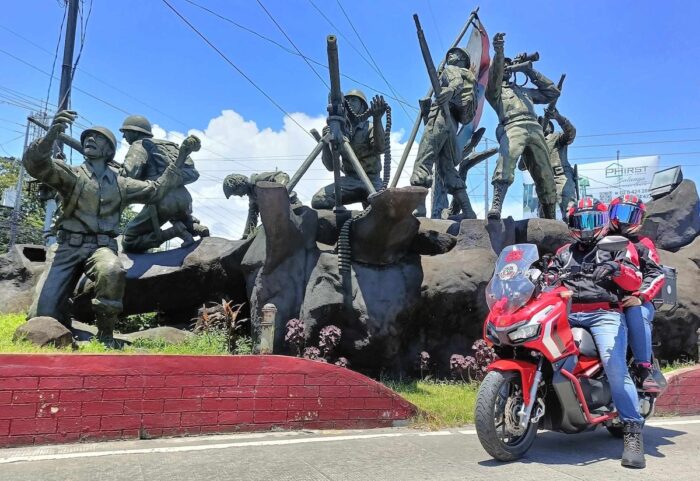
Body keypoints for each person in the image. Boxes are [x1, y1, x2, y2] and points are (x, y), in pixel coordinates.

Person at [23, 110, 194, 344]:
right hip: (67, 248)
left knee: (112, 269)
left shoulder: (121, 183)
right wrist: (51, 135)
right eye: (87, 138)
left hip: (100, 248)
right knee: (41, 317)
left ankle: (105, 337)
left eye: (99, 138)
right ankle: (62, 311)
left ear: (109, 150)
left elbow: (155, 190)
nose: (90, 140)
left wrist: (182, 155)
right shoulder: (71, 174)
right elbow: (38, 166)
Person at [549, 197, 646, 468]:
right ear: (571, 225)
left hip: (604, 313)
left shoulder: (617, 249)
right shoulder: (563, 253)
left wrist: (616, 269)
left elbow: (635, 280)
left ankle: (632, 431)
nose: (587, 228)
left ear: (604, 222)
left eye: (593, 220)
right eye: (581, 221)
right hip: (566, 312)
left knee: (614, 366)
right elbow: (548, 277)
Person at [486, 32, 559, 219]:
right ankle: (496, 206)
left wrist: (529, 71)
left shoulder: (524, 91)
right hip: (513, 126)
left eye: (510, 66)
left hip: (535, 128)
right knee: (506, 161)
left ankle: (550, 215)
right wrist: (499, 51)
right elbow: (494, 76)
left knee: (545, 172)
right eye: (505, 66)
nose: (508, 69)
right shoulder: (494, 92)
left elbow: (552, 93)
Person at [119, 114, 207, 251]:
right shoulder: (166, 145)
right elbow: (192, 173)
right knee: (172, 212)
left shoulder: (138, 145)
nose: (123, 137)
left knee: (129, 240)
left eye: (125, 132)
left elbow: (129, 174)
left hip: (162, 201)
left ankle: (175, 231)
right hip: (184, 199)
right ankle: (192, 227)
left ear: (135, 132)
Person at [410, 47, 477, 218]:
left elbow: (455, 83)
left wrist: (449, 90)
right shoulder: (466, 74)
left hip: (440, 116)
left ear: (462, 59)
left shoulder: (452, 70)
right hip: (452, 122)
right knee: (446, 168)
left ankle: (419, 208)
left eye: (454, 54)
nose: (449, 56)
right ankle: (468, 211)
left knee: (424, 158)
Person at [609, 194, 665, 392]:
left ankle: (643, 369)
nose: (625, 219)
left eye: (632, 215)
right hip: (605, 300)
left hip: (635, 300)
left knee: (637, 315)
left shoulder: (643, 243)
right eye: (621, 213)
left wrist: (640, 296)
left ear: (640, 219)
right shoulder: (600, 239)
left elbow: (657, 274)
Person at [311, 90, 386, 209]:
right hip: (350, 181)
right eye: (348, 100)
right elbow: (331, 166)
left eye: (354, 100)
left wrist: (377, 119)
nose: (350, 102)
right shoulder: (340, 130)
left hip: (372, 181)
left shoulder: (370, 127)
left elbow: (380, 148)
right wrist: (325, 144)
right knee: (318, 200)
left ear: (363, 107)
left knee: (383, 208)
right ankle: (345, 221)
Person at [223, 171, 293, 239]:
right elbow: (252, 215)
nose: (240, 196)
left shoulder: (258, 179)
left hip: (291, 207)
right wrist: (246, 235)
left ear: (240, 185)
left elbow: (282, 176)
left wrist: (278, 192)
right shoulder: (252, 196)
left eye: (237, 193)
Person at [542, 106, 577, 219]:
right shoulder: (534, 145)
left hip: (561, 176)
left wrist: (558, 117)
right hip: (544, 181)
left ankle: (572, 233)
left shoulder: (556, 137)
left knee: (568, 209)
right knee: (545, 214)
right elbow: (522, 166)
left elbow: (571, 133)